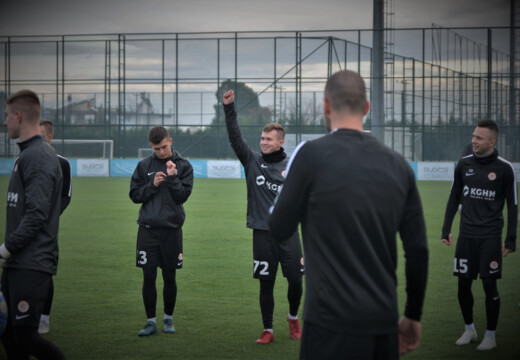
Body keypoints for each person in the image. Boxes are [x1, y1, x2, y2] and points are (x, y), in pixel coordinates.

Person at [268, 70, 429, 359]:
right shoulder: (398, 165)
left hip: (328, 323)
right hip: (383, 324)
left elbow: (278, 227)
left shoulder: (310, 155)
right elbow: (417, 249)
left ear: (326, 106)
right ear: (366, 108)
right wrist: (413, 315)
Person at [223, 90, 304, 344]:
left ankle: (293, 318)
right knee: (265, 284)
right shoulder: (252, 161)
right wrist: (229, 108)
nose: (263, 142)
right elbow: (236, 139)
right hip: (262, 234)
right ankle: (267, 329)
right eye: (262, 138)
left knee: (295, 281)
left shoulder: (293, 167)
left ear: (281, 142)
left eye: (269, 139)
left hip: (289, 234)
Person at [441, 119, 517, 351]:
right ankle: (469, 329)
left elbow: (513, 205)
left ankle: (490, 336)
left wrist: (510, 238)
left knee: (488, 285)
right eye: (473, 136)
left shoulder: (505, 169)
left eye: (479, 138)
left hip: (490, 237)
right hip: (466, 237)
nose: (473, 141)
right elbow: (454, 197)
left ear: (492, 142)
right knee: (463, 285)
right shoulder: (463, 164)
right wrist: (446, 229)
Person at [0, 89, 66, 359]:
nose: (4, 122)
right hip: (18, 262)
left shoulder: (39, 156)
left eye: (6, 116)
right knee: (9, 334)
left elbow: (37, 214)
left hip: (31, 262)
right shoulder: (27, 154)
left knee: (26, 339)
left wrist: (5, 248)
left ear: (18, 116)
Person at [129, 126, 194, 336]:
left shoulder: (184, 166)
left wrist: (172, 177)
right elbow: (134, 195)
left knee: (170, 277)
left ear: (171, 141)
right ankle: (150, 322)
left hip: (172, 231)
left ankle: (168, 319)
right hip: (147, 231)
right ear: (151, 146)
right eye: (156, 148)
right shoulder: (143, 165)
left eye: (164, 147)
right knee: (148, 277)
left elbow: (182, 196)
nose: (161, 152)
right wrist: (153, 184)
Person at [38, 119, 72, 334]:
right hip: (22, 228)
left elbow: (66, 196)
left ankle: (44, 318)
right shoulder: (22, 160)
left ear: (49, 137)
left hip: (46, 230)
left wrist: (48, 218)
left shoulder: (62, 164)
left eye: (40, 137)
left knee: (45, 272)